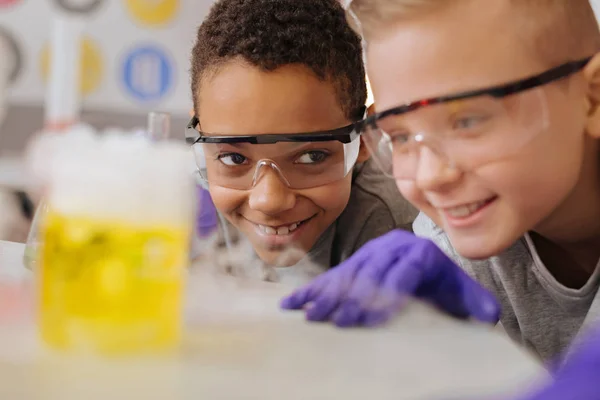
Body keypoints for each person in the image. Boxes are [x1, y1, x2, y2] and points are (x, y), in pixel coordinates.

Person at [281, 0, 600, 364]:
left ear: (592, 98)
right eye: (399, 137)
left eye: (468, 122)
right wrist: (467, 344)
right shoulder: (459, 230)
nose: (430, 176)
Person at [186, 0, 417, 282]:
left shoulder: (398, 231)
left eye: (312, 156)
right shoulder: (175, 214)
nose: (269, 201)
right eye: (234, 158)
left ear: (367, 135)